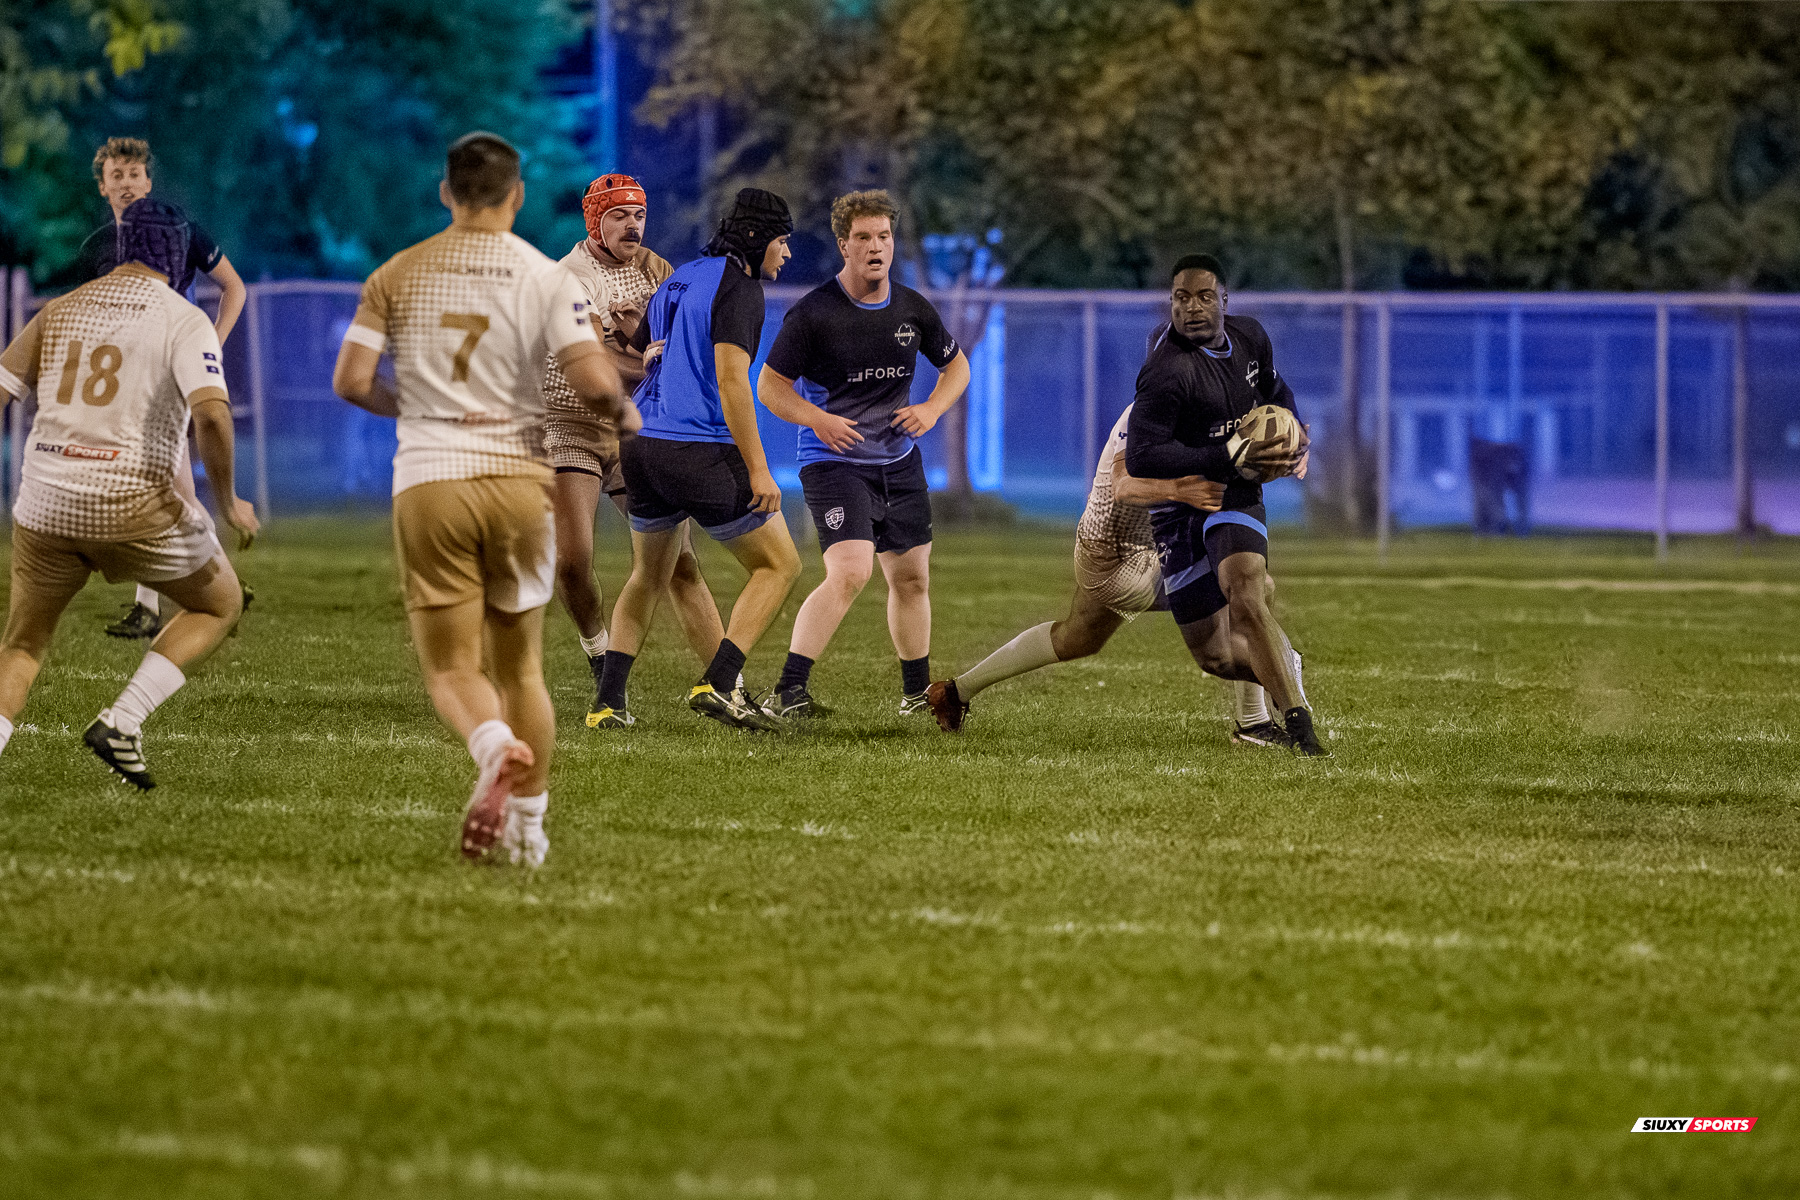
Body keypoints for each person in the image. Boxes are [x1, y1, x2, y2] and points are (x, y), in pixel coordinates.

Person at [331, 132, 634, 866]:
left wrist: (412, 406)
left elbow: (351, 380)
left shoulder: (398, 272)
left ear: (446, 192)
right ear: (517, 195)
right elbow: (593, 379)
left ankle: (492, 743)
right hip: (519, 480)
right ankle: (530, 827)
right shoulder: (545, 276)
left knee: (451, 667)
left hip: (432, 479)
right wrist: (623, 412)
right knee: (521, 668)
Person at [0, 198, 258, 789]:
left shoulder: (59, 308)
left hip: (46, 504)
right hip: (130, 506)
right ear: (175, 253)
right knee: (221, 604)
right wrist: (227, 501)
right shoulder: (183, 318)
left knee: (23, 645)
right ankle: (123, 720)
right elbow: (212, 417)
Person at [925, 401, 1294, 746]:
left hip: (1123, 546)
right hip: (1119, 559)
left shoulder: (1197, 400)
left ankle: (956, 692)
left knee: (1075, 638)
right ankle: (1256, 719)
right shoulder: (1155, 410)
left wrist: (1289, 446)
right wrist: (1182, 489)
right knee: (1251, 590)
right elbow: (1124, 486)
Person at [589, 188, 803, 732]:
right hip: (696, 446)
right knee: (780, 565)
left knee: (648, 575)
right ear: (755, 239)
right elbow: (731, 381)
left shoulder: (681, 276)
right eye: (782, 241)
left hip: (641, 443)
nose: (786, 253)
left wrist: (638, 325)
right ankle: (721, 682)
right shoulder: (741, 288)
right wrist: (759, 468)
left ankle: (608, 704)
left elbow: (645, 346)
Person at [756, 190, 969, 718]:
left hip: (898, 462)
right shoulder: (814, 313)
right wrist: (818, 419)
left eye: (884, 236)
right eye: (864, 238)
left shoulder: (912, 308)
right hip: (834, 463)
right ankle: (789, 691)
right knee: (851, 571)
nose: (876, 247)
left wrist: (932, 408)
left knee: (912, 579)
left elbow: (957, 366)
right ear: (843, 246)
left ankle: (915, 695)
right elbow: (770, 387)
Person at [538, 174, 730, 725]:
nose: (632, 225)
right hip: (571, 421)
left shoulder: (655, 269)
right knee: (572, 563)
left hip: (634, 428)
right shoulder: (570, 276)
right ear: (594, 221)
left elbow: (685, 335)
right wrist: (652, 360)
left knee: (680, 563)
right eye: (619, 215)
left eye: (639, 214)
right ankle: (600, 652)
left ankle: (727, 683)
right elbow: (595, 360)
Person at [1124, 254, 1327, 756]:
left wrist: (1294, 433)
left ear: (1224, 301)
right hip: (1179, 503)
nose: (1191, 308)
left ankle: (1300, 727)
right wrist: (1227, 452)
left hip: (1236, 490)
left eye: (1203, 297)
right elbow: (1143, 457)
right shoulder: (1166, 371)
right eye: (1181, 298)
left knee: (1246, 591)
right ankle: (1283, 664)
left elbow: (1275, 389)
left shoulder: (1251, 337)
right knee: (1214, 657)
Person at [77, 137, 253, 642]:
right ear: (103, 186)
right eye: (117, 175)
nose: (127, 183)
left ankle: (161, 603)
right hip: (123, 379)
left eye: (135, 174)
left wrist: (211, 344)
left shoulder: (183, 231)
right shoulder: (96, 249)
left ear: (148, 182)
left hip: (167, 375)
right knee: (172, 490)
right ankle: (217, 589)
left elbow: (235, 288)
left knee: (163, 488)